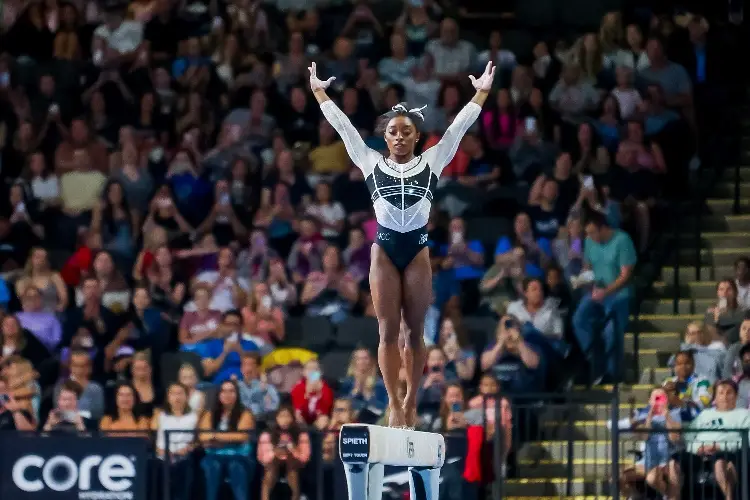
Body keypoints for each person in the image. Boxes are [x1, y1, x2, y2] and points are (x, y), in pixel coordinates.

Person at [309, 60, 495, 427]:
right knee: (388, 331)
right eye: (392, 131)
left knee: (416, 329)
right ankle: (394, 402)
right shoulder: (369, 160)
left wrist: (481, 92)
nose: (398, 136)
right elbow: (343, 127)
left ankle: (411, 399)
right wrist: (319, 91)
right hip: (384, 251)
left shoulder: (432, 160)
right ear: (385, 137)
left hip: (417, 251)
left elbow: (458, 129)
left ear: (416, 137)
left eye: (405, 131)